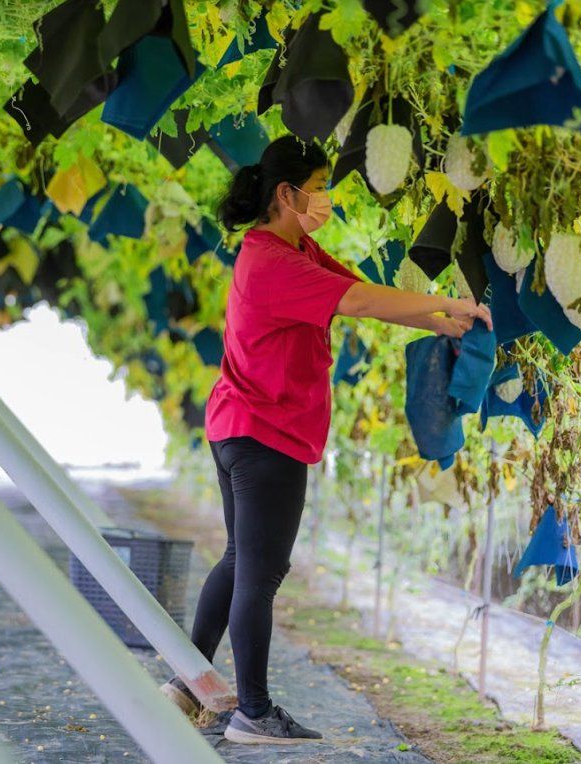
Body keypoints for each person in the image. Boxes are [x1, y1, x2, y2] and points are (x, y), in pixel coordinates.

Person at [160, 136, 492, 745]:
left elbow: (363, 297)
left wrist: (445, 319)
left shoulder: (291, 249)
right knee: (261, 573)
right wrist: (447, 299)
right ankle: (253, 714)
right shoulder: (275, 262)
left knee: (240, 562)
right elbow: (361, 298)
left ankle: (188, 684)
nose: (327, 199)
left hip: (240, 425)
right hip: (268, 433)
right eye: (319, 185)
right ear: (287, 194)